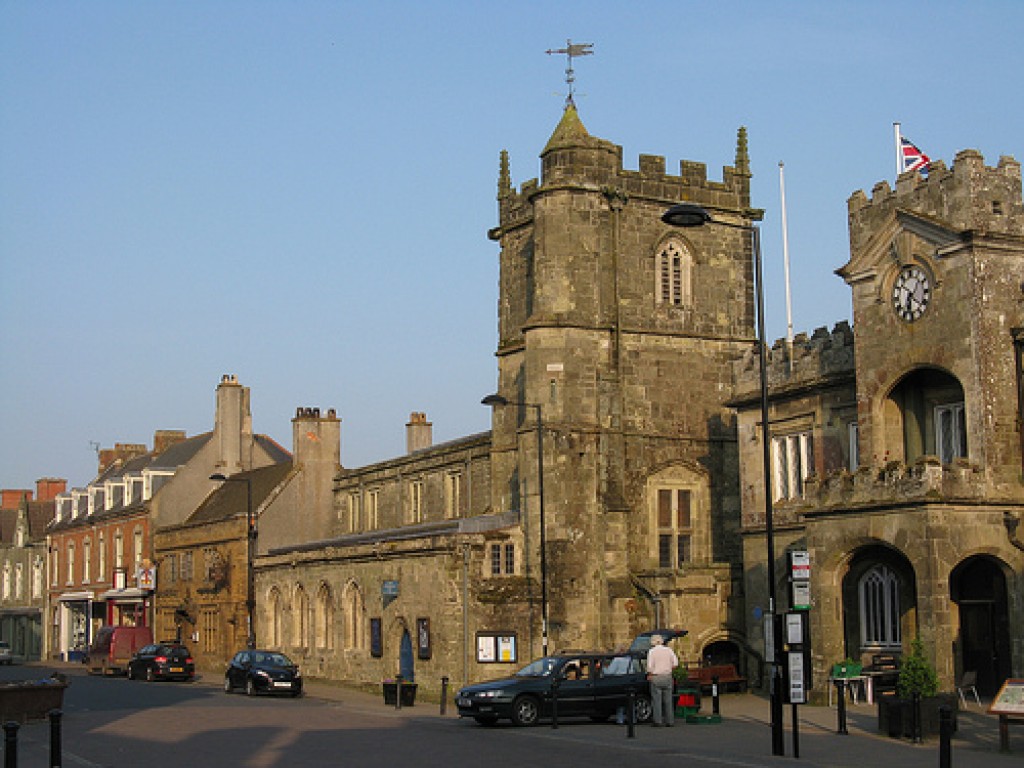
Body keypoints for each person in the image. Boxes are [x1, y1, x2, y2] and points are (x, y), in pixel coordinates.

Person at [646, 634, 679, 726]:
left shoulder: (652, 651)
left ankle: (658, 720)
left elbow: (649, 666)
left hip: (656, 676)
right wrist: (668, 668)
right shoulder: (669, 650)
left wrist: (650, 674)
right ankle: (670, 721)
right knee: (668, 700)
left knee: (656, 700)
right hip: (667, 676)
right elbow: (675, 663)